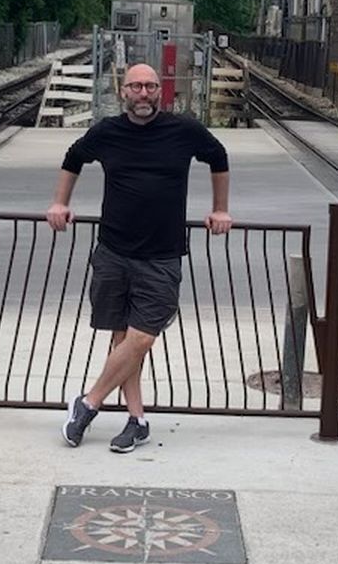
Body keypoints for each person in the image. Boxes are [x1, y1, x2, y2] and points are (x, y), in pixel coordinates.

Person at [47, 64, 231, 452]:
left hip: (162, 255)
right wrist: (60, 203)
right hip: (113, 250)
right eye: (136, 86)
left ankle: (88, 403)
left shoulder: (183, 130)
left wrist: (220, 208)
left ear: (160, 91)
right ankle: (137, 421)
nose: (143, 93)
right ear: (123, 91)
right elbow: (73, 158)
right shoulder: (107, 132)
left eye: (150, 86)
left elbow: (218, 156)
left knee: (142, 337)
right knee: (123, 337)